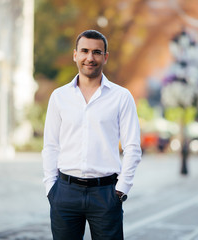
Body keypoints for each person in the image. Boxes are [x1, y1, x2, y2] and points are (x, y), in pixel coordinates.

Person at [42, 30, 142, 240]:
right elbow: (51, 145)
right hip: (65, 192)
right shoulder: (59, 97)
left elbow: (133, 147)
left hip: (106, 194)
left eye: (97, 52)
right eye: (85, 51)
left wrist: (121, 189)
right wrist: (51, 188)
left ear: (105, 57)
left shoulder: (121, 97)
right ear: (75, 55)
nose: (90, 57)